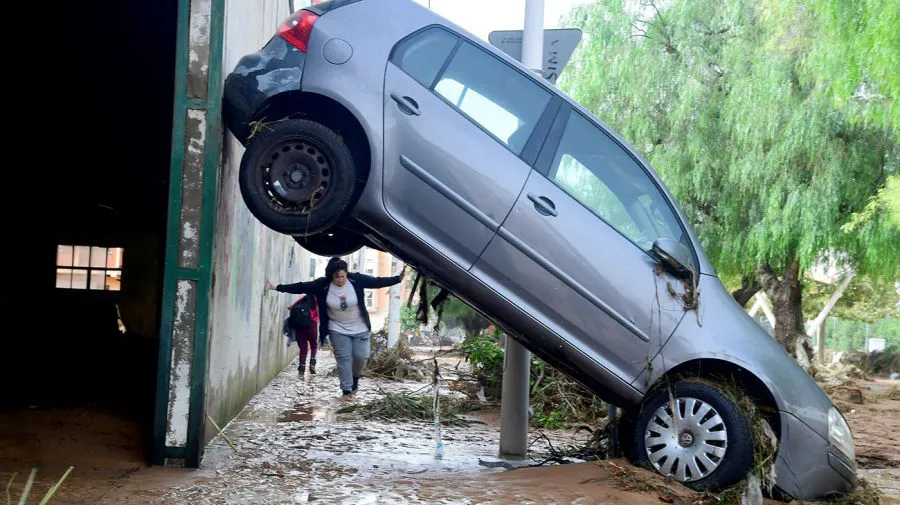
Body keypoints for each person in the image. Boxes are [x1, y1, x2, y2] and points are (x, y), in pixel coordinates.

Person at [266, 257, 405, 397]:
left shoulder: (356, 280)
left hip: (360, 327)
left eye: (343, 276)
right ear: (331, 275)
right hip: (337, 328)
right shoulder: (322, 285)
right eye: (337, 277)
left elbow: (377, 281)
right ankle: (346, 392)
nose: (340, 279)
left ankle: (355, 379)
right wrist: (277, 287)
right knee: (343, 359)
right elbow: (301, 286)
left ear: (347, 273)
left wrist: (397, 279)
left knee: (361, 356)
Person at [287, 294, 319, 376]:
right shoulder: (318, 299)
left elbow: (290, 307)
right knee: (314, 345)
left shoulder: (303, 298)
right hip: (312, 325)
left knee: (303, 349)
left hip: (300, 327)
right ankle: (312, 360)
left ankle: (302, 367)